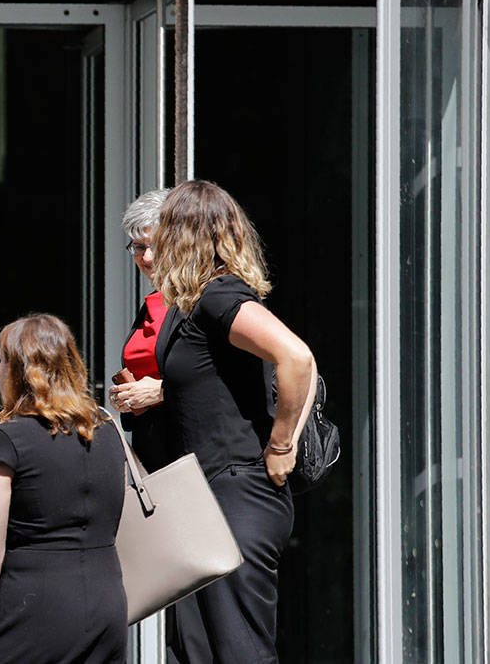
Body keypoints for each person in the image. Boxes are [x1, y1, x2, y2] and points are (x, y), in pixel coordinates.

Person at [147, 180, 317, 663]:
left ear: (182, 235)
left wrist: (282, 447)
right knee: (197, 651)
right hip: (207, 498)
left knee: (239, 650)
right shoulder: (195, 303)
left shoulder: (220, 295)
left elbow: (297, 358)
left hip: (237, 492)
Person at [0, 313, 127, 663]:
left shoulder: (6, 440)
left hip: (32, 606)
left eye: (1, 360)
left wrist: (25, 596)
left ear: (17, 370)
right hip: (108, 605)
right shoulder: (108, 431)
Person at [109, 188, 170, 466]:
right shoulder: (152, 303)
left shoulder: (205, 301)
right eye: (139, 247)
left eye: (155, 245)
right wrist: (127, 397)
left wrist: (160, 391)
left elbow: (228, 380)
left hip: (198, 455)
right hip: (152, 449)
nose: (146, 258)